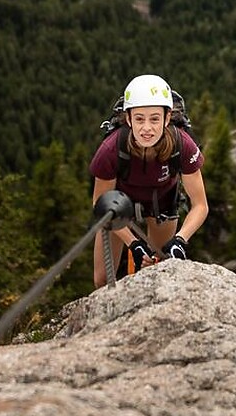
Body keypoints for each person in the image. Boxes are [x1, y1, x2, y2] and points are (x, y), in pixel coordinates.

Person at [89, 74, 208, 288]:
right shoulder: (111, 150)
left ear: (167, 117)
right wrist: (133, 244)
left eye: (154, 119)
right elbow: (100, 202)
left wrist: (180, 241)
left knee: (157, 273)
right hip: (117, 208)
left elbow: (200, 205)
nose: (147, 128)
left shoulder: (182, 145)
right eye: (139, 119)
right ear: (128, 119)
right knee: (103, 280)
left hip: (162, 204)